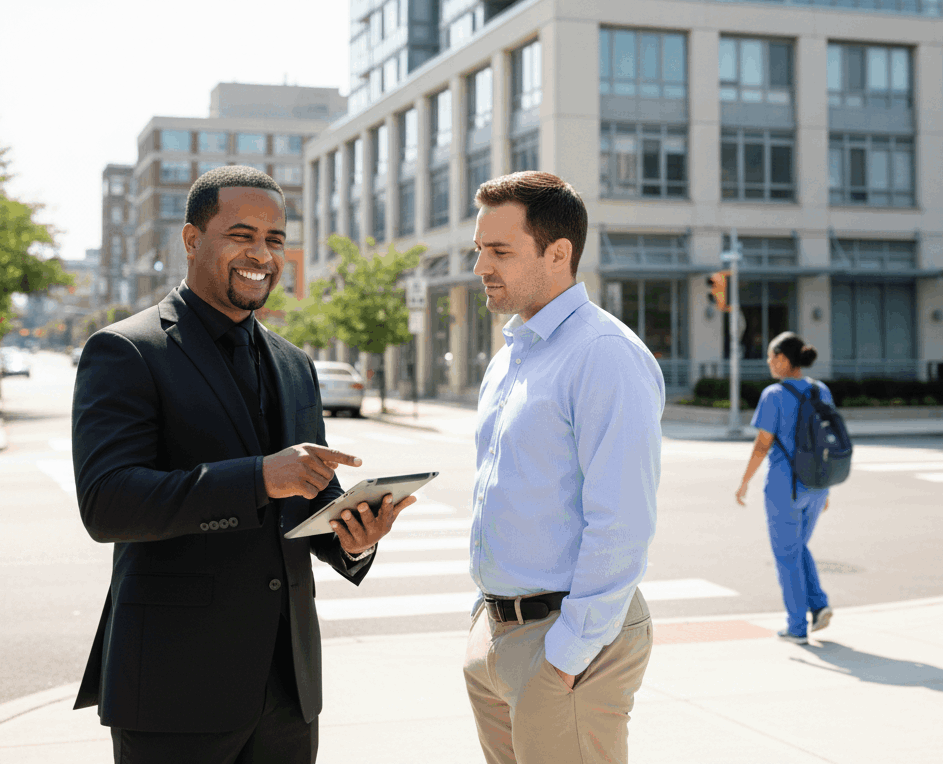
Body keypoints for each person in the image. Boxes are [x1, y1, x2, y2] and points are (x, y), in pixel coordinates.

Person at [71, 165, 415, 764]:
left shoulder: (295, 365)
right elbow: (107, 503)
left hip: (288, 688)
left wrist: (355, 538)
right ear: (190, 239)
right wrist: (259, 477)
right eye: (242, 234)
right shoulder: (126, 351)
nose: (262, 254)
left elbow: (310, 498)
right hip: (174, 690)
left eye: (275, 239)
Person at [462, 171, 665, 764]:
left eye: (500, 250)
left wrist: (567, 652)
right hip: (500, 634)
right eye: (480, 249)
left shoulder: (603, 355)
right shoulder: (513, 356)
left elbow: (623, 520)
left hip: (566, 642)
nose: (481, 267)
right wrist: (485, 621)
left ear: (558, 254)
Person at [735, 331, 833, 644]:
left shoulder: (774, 395)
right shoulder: (821, 390)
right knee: (797, 547)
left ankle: (796, 627)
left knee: (786, 556)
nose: (768, 362)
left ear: (782, 358)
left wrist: (744, 482)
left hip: (785, 487)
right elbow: (828, 443)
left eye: (769, 356)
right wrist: (828, 488)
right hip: (817, 486)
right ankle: (818, 605)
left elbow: (762, 444)